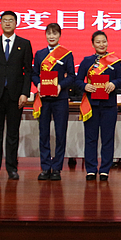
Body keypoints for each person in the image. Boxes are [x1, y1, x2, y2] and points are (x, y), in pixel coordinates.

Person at [0, 11, 33, 181]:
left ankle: (12, 168)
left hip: (15, 95)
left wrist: (25, 93)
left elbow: (28, 71)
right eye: (5, 20)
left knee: (12, 133)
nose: (8, 23)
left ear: (16, 23)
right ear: (1, 23)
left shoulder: (24, 44)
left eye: (11, 20)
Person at [76, 30, 121, 180]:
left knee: (107, 138)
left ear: (107, 42)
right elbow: (77, 81)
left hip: (109, 105)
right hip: (91, 105)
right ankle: (91, 169)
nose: (101, 44)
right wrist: (85, 86)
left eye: (104, 41)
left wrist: (114, 83)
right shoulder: (87, 61)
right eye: (98, 42)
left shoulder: (115, 61)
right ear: (93, 44)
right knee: (90, 138)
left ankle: (105, 170)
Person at [31, 23, 75, 181]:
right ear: (45, 35)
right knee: (43, 133)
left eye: (54, 33)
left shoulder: (66, 54)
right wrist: (38, 84)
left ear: (59, 35)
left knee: (60, 133)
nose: (51, 36)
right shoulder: (40, 54)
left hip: (60, 99)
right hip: (43, 99)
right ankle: (45, 167)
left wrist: (60, 86)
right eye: (49, 33)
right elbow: (34, 74)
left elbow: (72, 76)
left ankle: (57, 168)